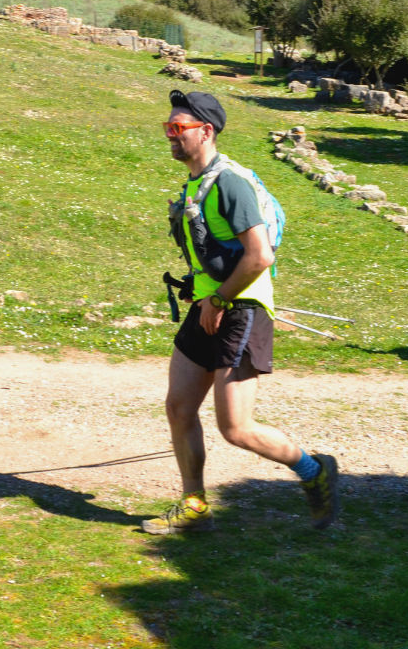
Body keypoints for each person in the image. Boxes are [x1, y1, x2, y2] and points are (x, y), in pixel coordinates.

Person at [142, 89, 340, 534]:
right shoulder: (196, 183)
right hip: (210, 305)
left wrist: (219, 299)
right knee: (179, 407)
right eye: (167, 129)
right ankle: (194, 505)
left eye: (179, 129)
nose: (170, 136)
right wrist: (203, 292)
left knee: (236, 427)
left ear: (206, 131)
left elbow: (260, 255)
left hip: (241, 307)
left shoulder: (229, 181)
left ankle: (316, 472)